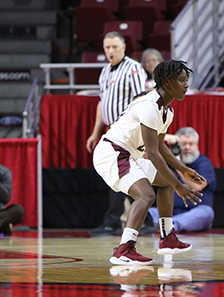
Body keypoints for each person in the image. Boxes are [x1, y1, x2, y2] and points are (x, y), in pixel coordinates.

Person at [93, 60, 207, 265]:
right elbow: (153, 155)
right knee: (146, 195)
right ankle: (124, 249)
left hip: (130, 154)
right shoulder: (149, 106)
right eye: (182, 80)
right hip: (112, 152)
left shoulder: (167, 111)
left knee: (165, 182)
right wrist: (179, 184)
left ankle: (167, 237)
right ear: (169, 82)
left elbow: (160, 146)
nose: (186, 85)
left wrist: (183, 170)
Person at [85, 31, 150, 236]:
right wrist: (95, 132)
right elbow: (101, 104)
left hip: (126, 132)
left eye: (114, 47)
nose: (110, 51)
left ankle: (113, 221)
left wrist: (143, 136)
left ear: (124, 47)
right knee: (120, 174)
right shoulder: (105, 71)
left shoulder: (134, 68)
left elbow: (142, 101)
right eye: (107, 47)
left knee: (121, 172)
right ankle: (145, 220)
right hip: (110, 130)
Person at [149, 127, 217, 232]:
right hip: (166, 212)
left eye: (191, 144)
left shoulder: (203, 162)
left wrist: (177, 164)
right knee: (147, 211)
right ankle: (161, 225)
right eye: (184, 144)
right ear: (176, 146)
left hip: (194, 212)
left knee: (206, 213)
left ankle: (169, 226)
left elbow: (198, 186)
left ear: (197, 146)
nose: (187, 147)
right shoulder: (166, 163)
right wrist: (160, 141)